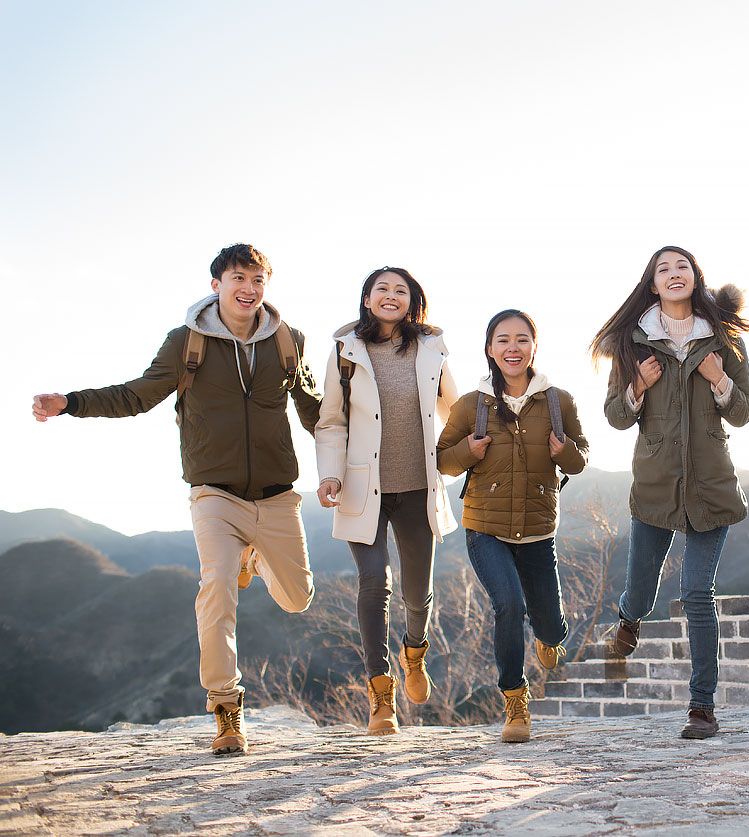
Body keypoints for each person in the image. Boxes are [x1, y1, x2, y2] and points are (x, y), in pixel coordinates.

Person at [31, 243, 322, 756]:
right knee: (217, 589)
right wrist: (70, 403)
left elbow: (314, 411)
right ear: (217, 284)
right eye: (239, 277)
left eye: (258, 279)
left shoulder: (287, 341)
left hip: (278, 494)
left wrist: (368, 432)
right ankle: (226, 709)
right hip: (214, 492)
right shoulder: (187, 342)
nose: (249, 288)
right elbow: (138, 394)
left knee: (298, 598)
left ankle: (251, 557)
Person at [591, 245, 749, 740]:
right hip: (656, 487)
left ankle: (701, 708)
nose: (673, 273)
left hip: (711, 487)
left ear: (695, 277)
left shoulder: (722, 339)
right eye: (663, 268)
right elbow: (616, 417)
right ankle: (627, 621)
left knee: (696, 593)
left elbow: (744, 410)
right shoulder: (634, 343)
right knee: (642, 591)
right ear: (652, 283)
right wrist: (637, 385)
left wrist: (720, 378)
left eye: (682, 265)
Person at [314, 267, 459, 735]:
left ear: (413, 299)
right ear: (367, 298)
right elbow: (332, 420)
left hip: (418, 486)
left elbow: (453, 412)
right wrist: (330, 474)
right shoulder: (345, 351)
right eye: (383, 289)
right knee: (374, 581)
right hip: (363, 487)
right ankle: (381, 694)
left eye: (401, 290)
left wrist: (469, 453)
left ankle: (414, 654)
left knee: (419, 594)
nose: (391, 296)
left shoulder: (431, 347)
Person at [436, 309, 589, 743]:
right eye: (503, 340)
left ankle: (549, 635)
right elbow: (442, 460)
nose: (512, 347)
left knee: (551, 625)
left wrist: (565, 453)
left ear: (533, 347)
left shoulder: (558, 402)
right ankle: (515, 701)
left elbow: (581, 458)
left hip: (538, 529)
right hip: (485, 527)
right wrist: (467, 450)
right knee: (508, 604)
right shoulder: (472, 405)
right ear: (490, 349)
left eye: (522, 339)